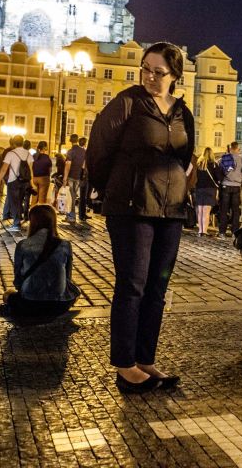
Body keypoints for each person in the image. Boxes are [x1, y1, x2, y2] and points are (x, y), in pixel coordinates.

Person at [87, 41, 194, 393]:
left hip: (171, 209)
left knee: (158, 287)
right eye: (145, 68)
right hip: (132, 207)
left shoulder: (183, 112)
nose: (149, 75)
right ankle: (125, 364)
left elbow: (184, 157)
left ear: (175, 75)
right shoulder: (127, 103)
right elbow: (98, 150)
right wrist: (109, 191)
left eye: (158, 71)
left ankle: (146, 359)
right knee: (132, 285)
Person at [2, 205, 80, 318]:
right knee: (77, 290)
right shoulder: (65, 245)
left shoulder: (23, 245)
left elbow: (18, 280)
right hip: (58, 305)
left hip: (30, 302)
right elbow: (68, 278)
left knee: (7, 294)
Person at [0, 135, 32, 233]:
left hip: (13, 181)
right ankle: (18, 221)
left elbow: (4, 169)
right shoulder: (28, 153)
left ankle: (16, 224)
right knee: (20, 201)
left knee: (14, 202)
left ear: (14, 143)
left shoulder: (11, 153)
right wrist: (31, 182)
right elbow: (31, 169)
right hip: (25, 182)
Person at [217, 142, 242, 238]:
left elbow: (219, 171)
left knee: (224, 210)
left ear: (230, 148)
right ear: (237, 148)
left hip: (225, 185)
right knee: (235, 210)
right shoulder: (241, 160)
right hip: (237, 186)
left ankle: (222, 232)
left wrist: (221, 181)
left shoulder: (224, 158)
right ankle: (234, 232)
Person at [193, 148, 221, 236]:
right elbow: (219, 177)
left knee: (200, 210)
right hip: (210, 189)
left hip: (199, 188)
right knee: (206, 211)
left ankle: (200, 230)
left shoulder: (198, 164)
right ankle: (204, 231)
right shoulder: (214, 165)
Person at [63, 134, 86, 223]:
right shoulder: (83, 151)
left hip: (71, 176)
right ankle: (71, 215)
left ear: (70, 141)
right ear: (77, 140)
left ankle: (71, 216)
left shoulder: (71, 151)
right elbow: (84, 165)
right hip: (78, 176)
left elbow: (68, 165)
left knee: (71, 197)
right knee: (73, 196)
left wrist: (65, 178)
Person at [31, 141, 53, 207]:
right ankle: (40, 215)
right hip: (44, 179)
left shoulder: (33, 156)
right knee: (42, 199)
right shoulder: (46, 157)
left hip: (34, 179)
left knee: (34, 198)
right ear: (45, 147)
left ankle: (31, 214)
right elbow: (50, 169)